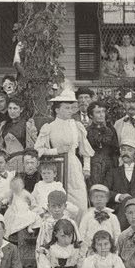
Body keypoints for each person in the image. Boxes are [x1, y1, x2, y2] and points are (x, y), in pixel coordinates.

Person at [36, 89, 94, 224]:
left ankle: (78, 233)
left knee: (80, 202)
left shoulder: (76, 125)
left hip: (74, 165)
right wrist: (56, 150)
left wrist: (87, 168)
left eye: (71, 108)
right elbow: (38, 150)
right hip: (57, 167)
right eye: (66, 108)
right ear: (57, 110)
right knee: (59, 200)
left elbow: (85, 149)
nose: (70, 111)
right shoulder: (49, 127)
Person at [105, 139, 135, 229]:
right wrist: (119, 196)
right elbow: (105, 191)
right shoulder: (112, 172)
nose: (125, 153)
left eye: (130, 150)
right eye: (123, 149)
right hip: (119, 209)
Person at [79, 184, 121, 256]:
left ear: (107, 199)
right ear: (91, 199)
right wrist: (84, 250)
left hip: (108, 251)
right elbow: (81, 234)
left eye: (102, 196)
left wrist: (114, 249)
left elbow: (117, 234)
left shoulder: (112, 217)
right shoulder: (87, 216)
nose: (99, 199)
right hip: (91, 251)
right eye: (96, 197)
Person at [0, 96, 38, 173]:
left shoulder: (27, 125)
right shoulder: (4, 125)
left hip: (21, 161)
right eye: (10, 108)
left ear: (21, 109)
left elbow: (35, 145)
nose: (12, 111)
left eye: (15, 108)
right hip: (6, 160)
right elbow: (1, 144)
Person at [86, 100, 119, 186]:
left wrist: (116, 168)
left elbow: (115, 150)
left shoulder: (110, 130)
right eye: (98, 112)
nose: (101, 115)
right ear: (90, 115)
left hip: (109, 166)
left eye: (103, 112)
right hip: (93, 166)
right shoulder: (87, 131)